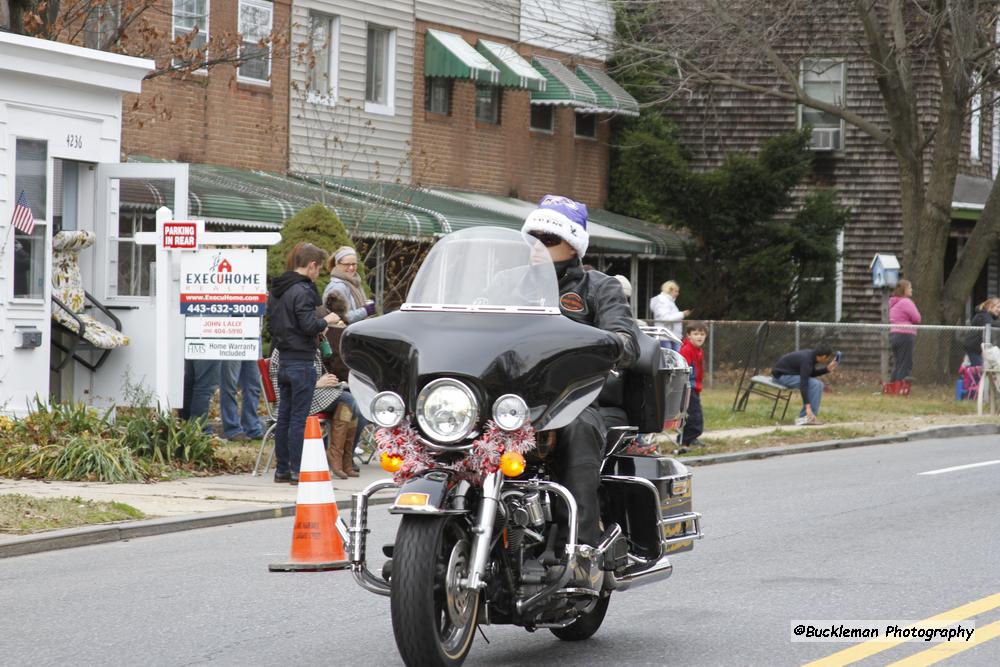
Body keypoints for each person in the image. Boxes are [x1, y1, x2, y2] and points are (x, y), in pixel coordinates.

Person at [521, 194, 641, 550]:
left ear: (573, 246)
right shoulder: (508, 283)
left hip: (571, 397)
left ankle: (581, 547)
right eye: (533, 237)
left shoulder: (599, 287)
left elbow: (626, 341)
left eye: (549, 238)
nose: (537, 245)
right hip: (508, 398)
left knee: (577, 430)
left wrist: (609, 343)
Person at [267, 242, 341, 484]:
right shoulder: (304, 290)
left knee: (285, 417)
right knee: (299, 418)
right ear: (311, 266)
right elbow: (308, 324)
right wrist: (326, 319)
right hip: (301, 361)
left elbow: (271, 326)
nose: (318, 273)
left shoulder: (278, 289)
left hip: (283, 358)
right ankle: (299, 470)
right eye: (318, 268)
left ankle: (282, 470)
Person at [268, 343, 359, 480]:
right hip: (298, 398)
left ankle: (345, 459)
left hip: (312, 392)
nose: (325, 332)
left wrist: (330, 381)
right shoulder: (293, 349)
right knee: (349, 401)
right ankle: (337, 457)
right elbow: (285, 386)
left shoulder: (313, 343)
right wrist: (318, 383)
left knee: (354, 404)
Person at [322, 291, 371, 472]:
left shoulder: (331, 334)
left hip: (337, 385)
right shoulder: (341, 335)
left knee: (356, 408)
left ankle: (342, 455)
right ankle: (339, 454)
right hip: (327, 387)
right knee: (356, 408)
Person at [771, 344, 838, 425]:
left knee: (819, 384)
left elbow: (810, 373)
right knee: (815, 384)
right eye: (828, 357)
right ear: (823, 356)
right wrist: (808, 407)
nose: (828, 359)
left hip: (787, 375)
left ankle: (809, 418)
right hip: (780, 377)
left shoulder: (812, 356)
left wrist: (826, 369)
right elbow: (804, 383)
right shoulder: (807, 360)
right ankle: (804, 418)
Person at [322, 246, 377, 324]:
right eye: (347, 264)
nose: (351, 268)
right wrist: (365, 311)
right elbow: (341, 317)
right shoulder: (337, 287)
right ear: (337, 264)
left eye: (354, 264)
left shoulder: (354, 283)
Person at [679, 321, 708, 451]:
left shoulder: (699, 350)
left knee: (694, 414)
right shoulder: (687, 350)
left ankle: (689, 438)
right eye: (695, 334)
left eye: (702, 334)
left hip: (695, 387)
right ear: (688, 336)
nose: (699, 337)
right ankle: (687, 440)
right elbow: (683, 370)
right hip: (687, 388)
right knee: (695, 416)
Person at [888, 279, 921, 392]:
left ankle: (891, 387)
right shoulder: (906, 302)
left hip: (894, 335)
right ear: (905, 290)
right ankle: (899, 389)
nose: (912, 290)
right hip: (905, 335)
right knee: (905, 364)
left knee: (898, 363)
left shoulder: (893, 302)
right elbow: (917, 318)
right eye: (910, 288)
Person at [219, 359, 263, 441]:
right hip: (231, 347)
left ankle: (252, 428)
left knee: (254, 387)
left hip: (253, 347)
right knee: (229, 386)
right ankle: (233, 430)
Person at [649, 280, 690, 350]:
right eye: (676, 291)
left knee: (675, 358)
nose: (678, 293)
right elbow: (665, 318)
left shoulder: (669, 302)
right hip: (665, 336)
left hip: (671, 336)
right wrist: (682, 314)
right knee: (669, 358)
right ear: (669, 290)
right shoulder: (662, 301)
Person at [963, 297, 1000, 367]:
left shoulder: (989, 316)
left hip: (979, 348)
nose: (999, 310)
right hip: (973, 347)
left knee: (972, 369)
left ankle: (964, 377)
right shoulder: (983, 314)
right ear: (990, 306)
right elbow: (990, 324)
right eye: (997, 307)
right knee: (978, 369)